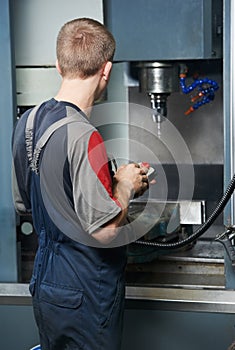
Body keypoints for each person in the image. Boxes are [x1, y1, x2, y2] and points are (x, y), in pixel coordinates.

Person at [12, 18, 150, 350]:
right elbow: (105, 232)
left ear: (59, 65)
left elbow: (28, 203)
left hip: (47, 284)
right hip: (87, 290)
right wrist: (127, 185)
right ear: (106, 71)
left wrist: (105, 186)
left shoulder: (27, 122)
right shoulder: (85, 135)